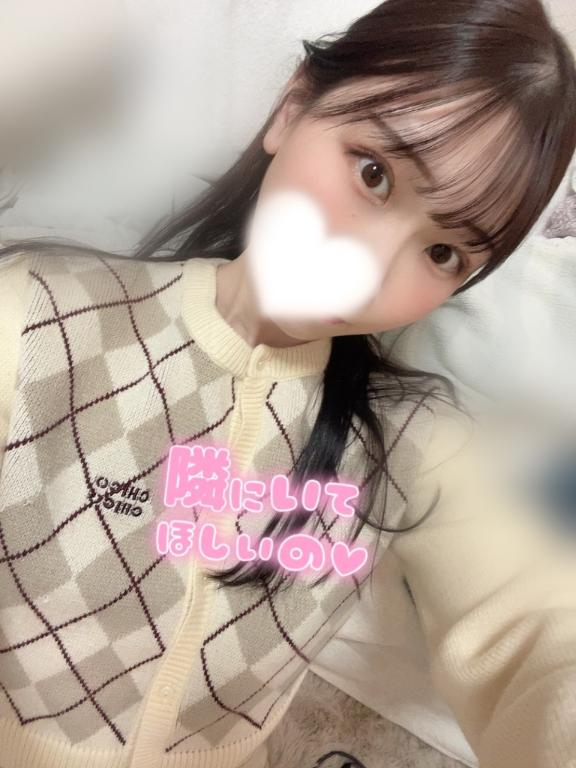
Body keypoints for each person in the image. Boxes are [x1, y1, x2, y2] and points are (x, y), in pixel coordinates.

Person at [0, 1, 575, 767]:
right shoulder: (39, 315)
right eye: (374, 173)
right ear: (293, 105)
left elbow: (544, 633)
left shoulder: (409, 447)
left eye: (444, 253)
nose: (370, 269)